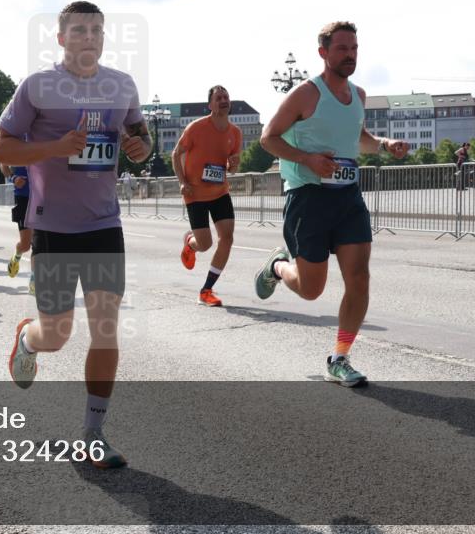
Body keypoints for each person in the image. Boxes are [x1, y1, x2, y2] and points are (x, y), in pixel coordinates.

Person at [0, 1, 151, 468]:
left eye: (97, 30)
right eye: (79, 30)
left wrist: (140, 148)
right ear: (61, 38)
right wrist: (57, 147)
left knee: (105, 327)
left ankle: (93, 432)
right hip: (53, 226)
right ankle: (28, 340)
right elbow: (1, 147)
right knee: (57, 334)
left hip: (103, 223)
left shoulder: (121, 86)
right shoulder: (37, 87)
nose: (89, 37)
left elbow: (141, 142)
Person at [255, 21, 408, 387]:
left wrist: (384, 144)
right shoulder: (305, 94)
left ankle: (340, 358)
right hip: (308, 197)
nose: (350, 55)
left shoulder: (359, 95)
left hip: (348, 197)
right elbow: (268, 139)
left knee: (359, 277)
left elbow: (357, 137)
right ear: (323, 52)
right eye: (342, 48)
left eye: (354, 48)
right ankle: (277, 266)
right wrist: (307, 159)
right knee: (311, 290)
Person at [173, 85, 242, 307]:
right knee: (205, 244)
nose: (224, 100)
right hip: (195, 194)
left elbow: (232, 168)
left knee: (228, 238)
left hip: (220, 192)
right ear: (210, 104)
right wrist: (183, 182)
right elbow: (176, 154)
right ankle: (190, 244)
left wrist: (234, 166)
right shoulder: (196, 128)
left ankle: (207, 289)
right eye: (219, 97)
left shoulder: (235, 133)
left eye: (226, 97)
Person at [0, 162, 34, 294]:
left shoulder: (47, 141)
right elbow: (3, 163)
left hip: (43, 196)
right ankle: (17, 255)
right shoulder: (16, 140)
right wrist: (13, 178)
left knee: (39, 242)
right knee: (26, 245)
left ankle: (34, 280)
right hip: (23, 197)